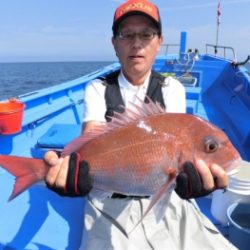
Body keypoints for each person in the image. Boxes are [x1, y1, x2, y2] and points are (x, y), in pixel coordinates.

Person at [44, 0, 237, 249]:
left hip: (164, 198)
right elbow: (91, 136)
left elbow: (175, 145)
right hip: (107, 203)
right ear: (114, 43)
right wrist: (72, 169)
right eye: (126, 34)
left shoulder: (171, 88)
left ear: (158, 41)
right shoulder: (98, 88)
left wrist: (188, 183)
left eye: (146, 34)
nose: (136, 43)